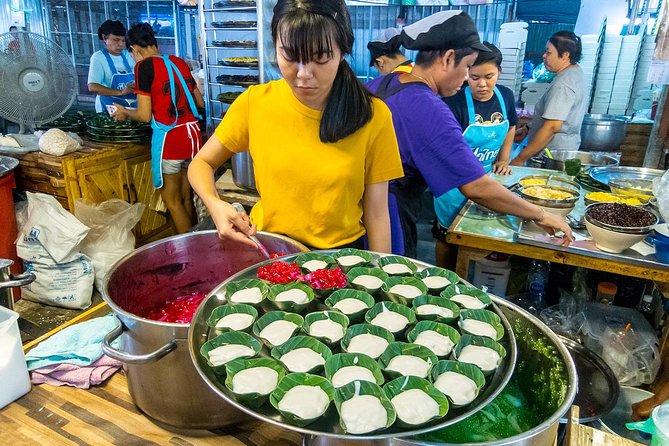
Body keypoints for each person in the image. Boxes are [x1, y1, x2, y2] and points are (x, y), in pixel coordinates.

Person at [188, 0, 403, 252]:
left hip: (339, 259)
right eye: (290, 55)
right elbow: (200, 164)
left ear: (343, 51)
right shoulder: (255, 102)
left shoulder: (372, 115)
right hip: (270, 251)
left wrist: (378, 273)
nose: (303, 74)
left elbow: (377, 214)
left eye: (320, 58)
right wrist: (214, 204)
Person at [366, 10, 573, 260]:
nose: (466, 78)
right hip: (389, 218)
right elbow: (476, 187)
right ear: (449, 57)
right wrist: (540, 214)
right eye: (466, 68)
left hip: (357, 211)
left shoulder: (383, 83)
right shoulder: (429, 109)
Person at [111, 23, 204, 234]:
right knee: (185, 197)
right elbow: (199, 102)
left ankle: (189, 253)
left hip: (170, 140)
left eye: (132, 53)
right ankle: (190, 244)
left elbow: (144, 115)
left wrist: (125, 111)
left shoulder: (143, 67)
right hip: (192, 139)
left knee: (171, 201)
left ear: (134, 48)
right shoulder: (178, 62)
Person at [434, 42, 517, 267]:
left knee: (481, 236)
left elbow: (510, 128)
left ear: (499, 71)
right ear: (466, 74)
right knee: (447, 235)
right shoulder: (454, 103)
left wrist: (503, 159)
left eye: (489, 76)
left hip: (488, 176)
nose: (482, 84)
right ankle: (445, 276)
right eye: (474, 77)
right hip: (454, 184)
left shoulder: (506, 97)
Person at [511, 31, 587, 166]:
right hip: (563, 151)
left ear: (565, 55)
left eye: (548, 52)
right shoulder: (575, 72)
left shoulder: (563, 85)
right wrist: (528, 129)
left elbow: (552, 127)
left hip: (551, 158)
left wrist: (519, 159)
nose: (544, 56)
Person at [88, 20, 136, 113]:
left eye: (123, 40)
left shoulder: (130, 55)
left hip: (130, 107)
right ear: (104, 38)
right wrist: (121, 92)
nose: (121, 44)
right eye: (116, 40)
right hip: (108, 107)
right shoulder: (98, 57)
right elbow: (92, 86)